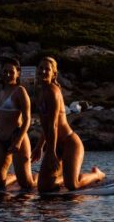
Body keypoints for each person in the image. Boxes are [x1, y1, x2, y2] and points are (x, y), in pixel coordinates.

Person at [32, 56, 105, 192]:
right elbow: (45, 125)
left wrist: (51, 152)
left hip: (69, 143)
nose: (42, 71)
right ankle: (63, 176)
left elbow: (53, 125)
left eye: (47, 69)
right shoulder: (40, 92)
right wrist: (39, 147)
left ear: (54, 73)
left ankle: (96, 174)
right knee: (43, 187)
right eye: (40, 68)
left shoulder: (54, 92)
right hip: (54, 144)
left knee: (73, 185)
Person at [0, 59, 36, 191]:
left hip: (16, 138)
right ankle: (12, 177)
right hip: (1, 139)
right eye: (5, 71)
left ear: (18, 73)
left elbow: (27, 119)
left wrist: (18, 141)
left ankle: (37, 178)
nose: (8, 74)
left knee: (26, 185)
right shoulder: (1, 92)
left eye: (11, 72)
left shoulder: (20, 91)